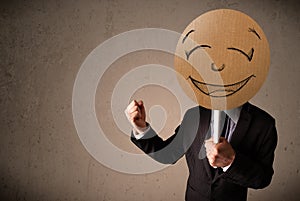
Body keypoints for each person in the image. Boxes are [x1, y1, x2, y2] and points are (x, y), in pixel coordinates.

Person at [125, 9, 278, 201]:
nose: (219, 67)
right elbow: (168, 154)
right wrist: (141, 128)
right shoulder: (193, 117)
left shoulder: (263, 124)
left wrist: (232, 161)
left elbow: (263, 179)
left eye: (235, 55)